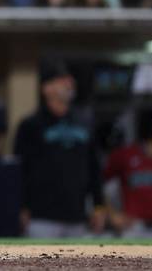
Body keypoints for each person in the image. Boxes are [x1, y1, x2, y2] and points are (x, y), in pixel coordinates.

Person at [14, 59, 105, 238]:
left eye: (69, 79)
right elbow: (20, 170)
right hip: (42, 217)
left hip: (77, 215)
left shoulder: (84, 122)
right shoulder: (31, 125)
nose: (69, 83)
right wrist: (21, 206)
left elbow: (94, 167)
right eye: (61, 79)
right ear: (46, 88)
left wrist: (98, 205)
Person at [104, 108, 152, 238]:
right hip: (134, 229)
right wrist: (112, 213)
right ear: (149, 128)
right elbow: (98, 183)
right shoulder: (126, 155)